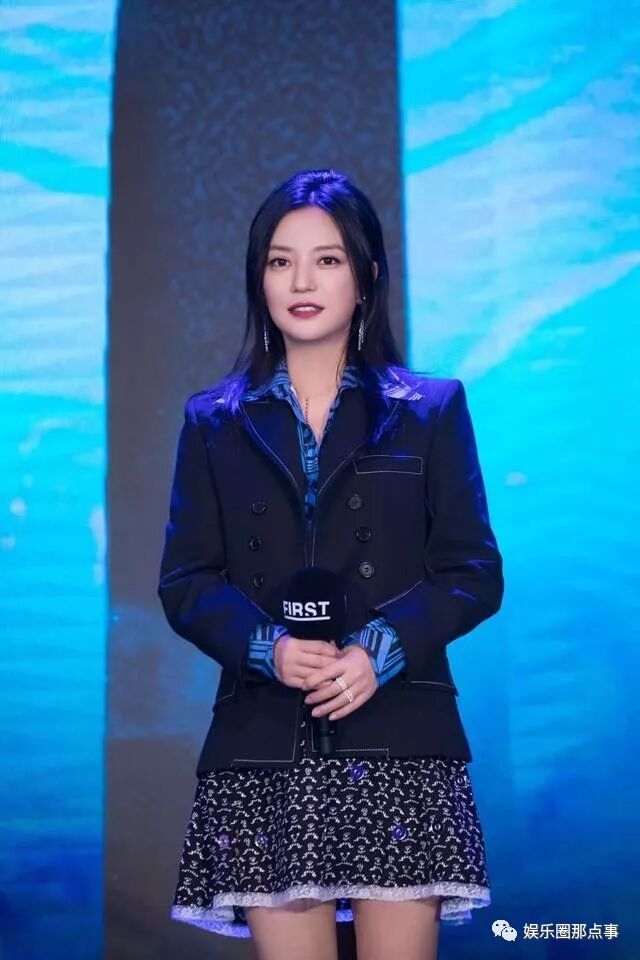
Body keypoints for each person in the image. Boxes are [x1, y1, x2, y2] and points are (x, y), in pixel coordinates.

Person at [157, 168, 504, 960]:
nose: (302, 282)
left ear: (366, 274)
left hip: (400, 734)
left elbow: (471, 570)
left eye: (327, 260)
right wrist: (269, 649)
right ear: (259, 278)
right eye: (281, 261)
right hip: (264, 740)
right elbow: (187, 581)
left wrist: (379, 651)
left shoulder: (430, 409)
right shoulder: (213, 421)